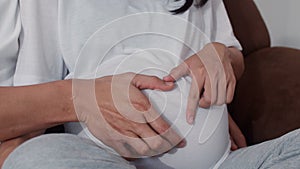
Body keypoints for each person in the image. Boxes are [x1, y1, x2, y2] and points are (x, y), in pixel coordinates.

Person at [1, 0, 299, 168]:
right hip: (109, 160)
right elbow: (34, 102)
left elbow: (231, 50)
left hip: (221, 163)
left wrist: (224, 59)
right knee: (36, 159)